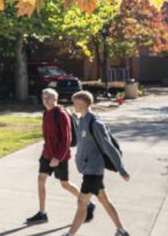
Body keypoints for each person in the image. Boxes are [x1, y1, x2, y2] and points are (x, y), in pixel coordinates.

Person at [63, 91, 130, 236]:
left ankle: (70, 234)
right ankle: (122, 231)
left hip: (94, 170)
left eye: (76, 102)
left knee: (82, 202)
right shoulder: (82, 119)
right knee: (103, 199)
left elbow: (109, 147)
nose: (74, 105)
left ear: (84, 103)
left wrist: (121, 169)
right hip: (88, 169)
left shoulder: (95, 123)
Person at [26, 89, 94, 225]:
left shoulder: (61, 114)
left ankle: (88, 203)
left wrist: (57, 157)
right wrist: (47, 152)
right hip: (47, 153)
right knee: (41, 179)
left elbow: (67, 139)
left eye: (49, 97)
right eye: (44, 97)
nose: (46, 100)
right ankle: (42, 213)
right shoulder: (46, 113)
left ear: (55, 99)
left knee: (65, 184)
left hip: (59, 155)